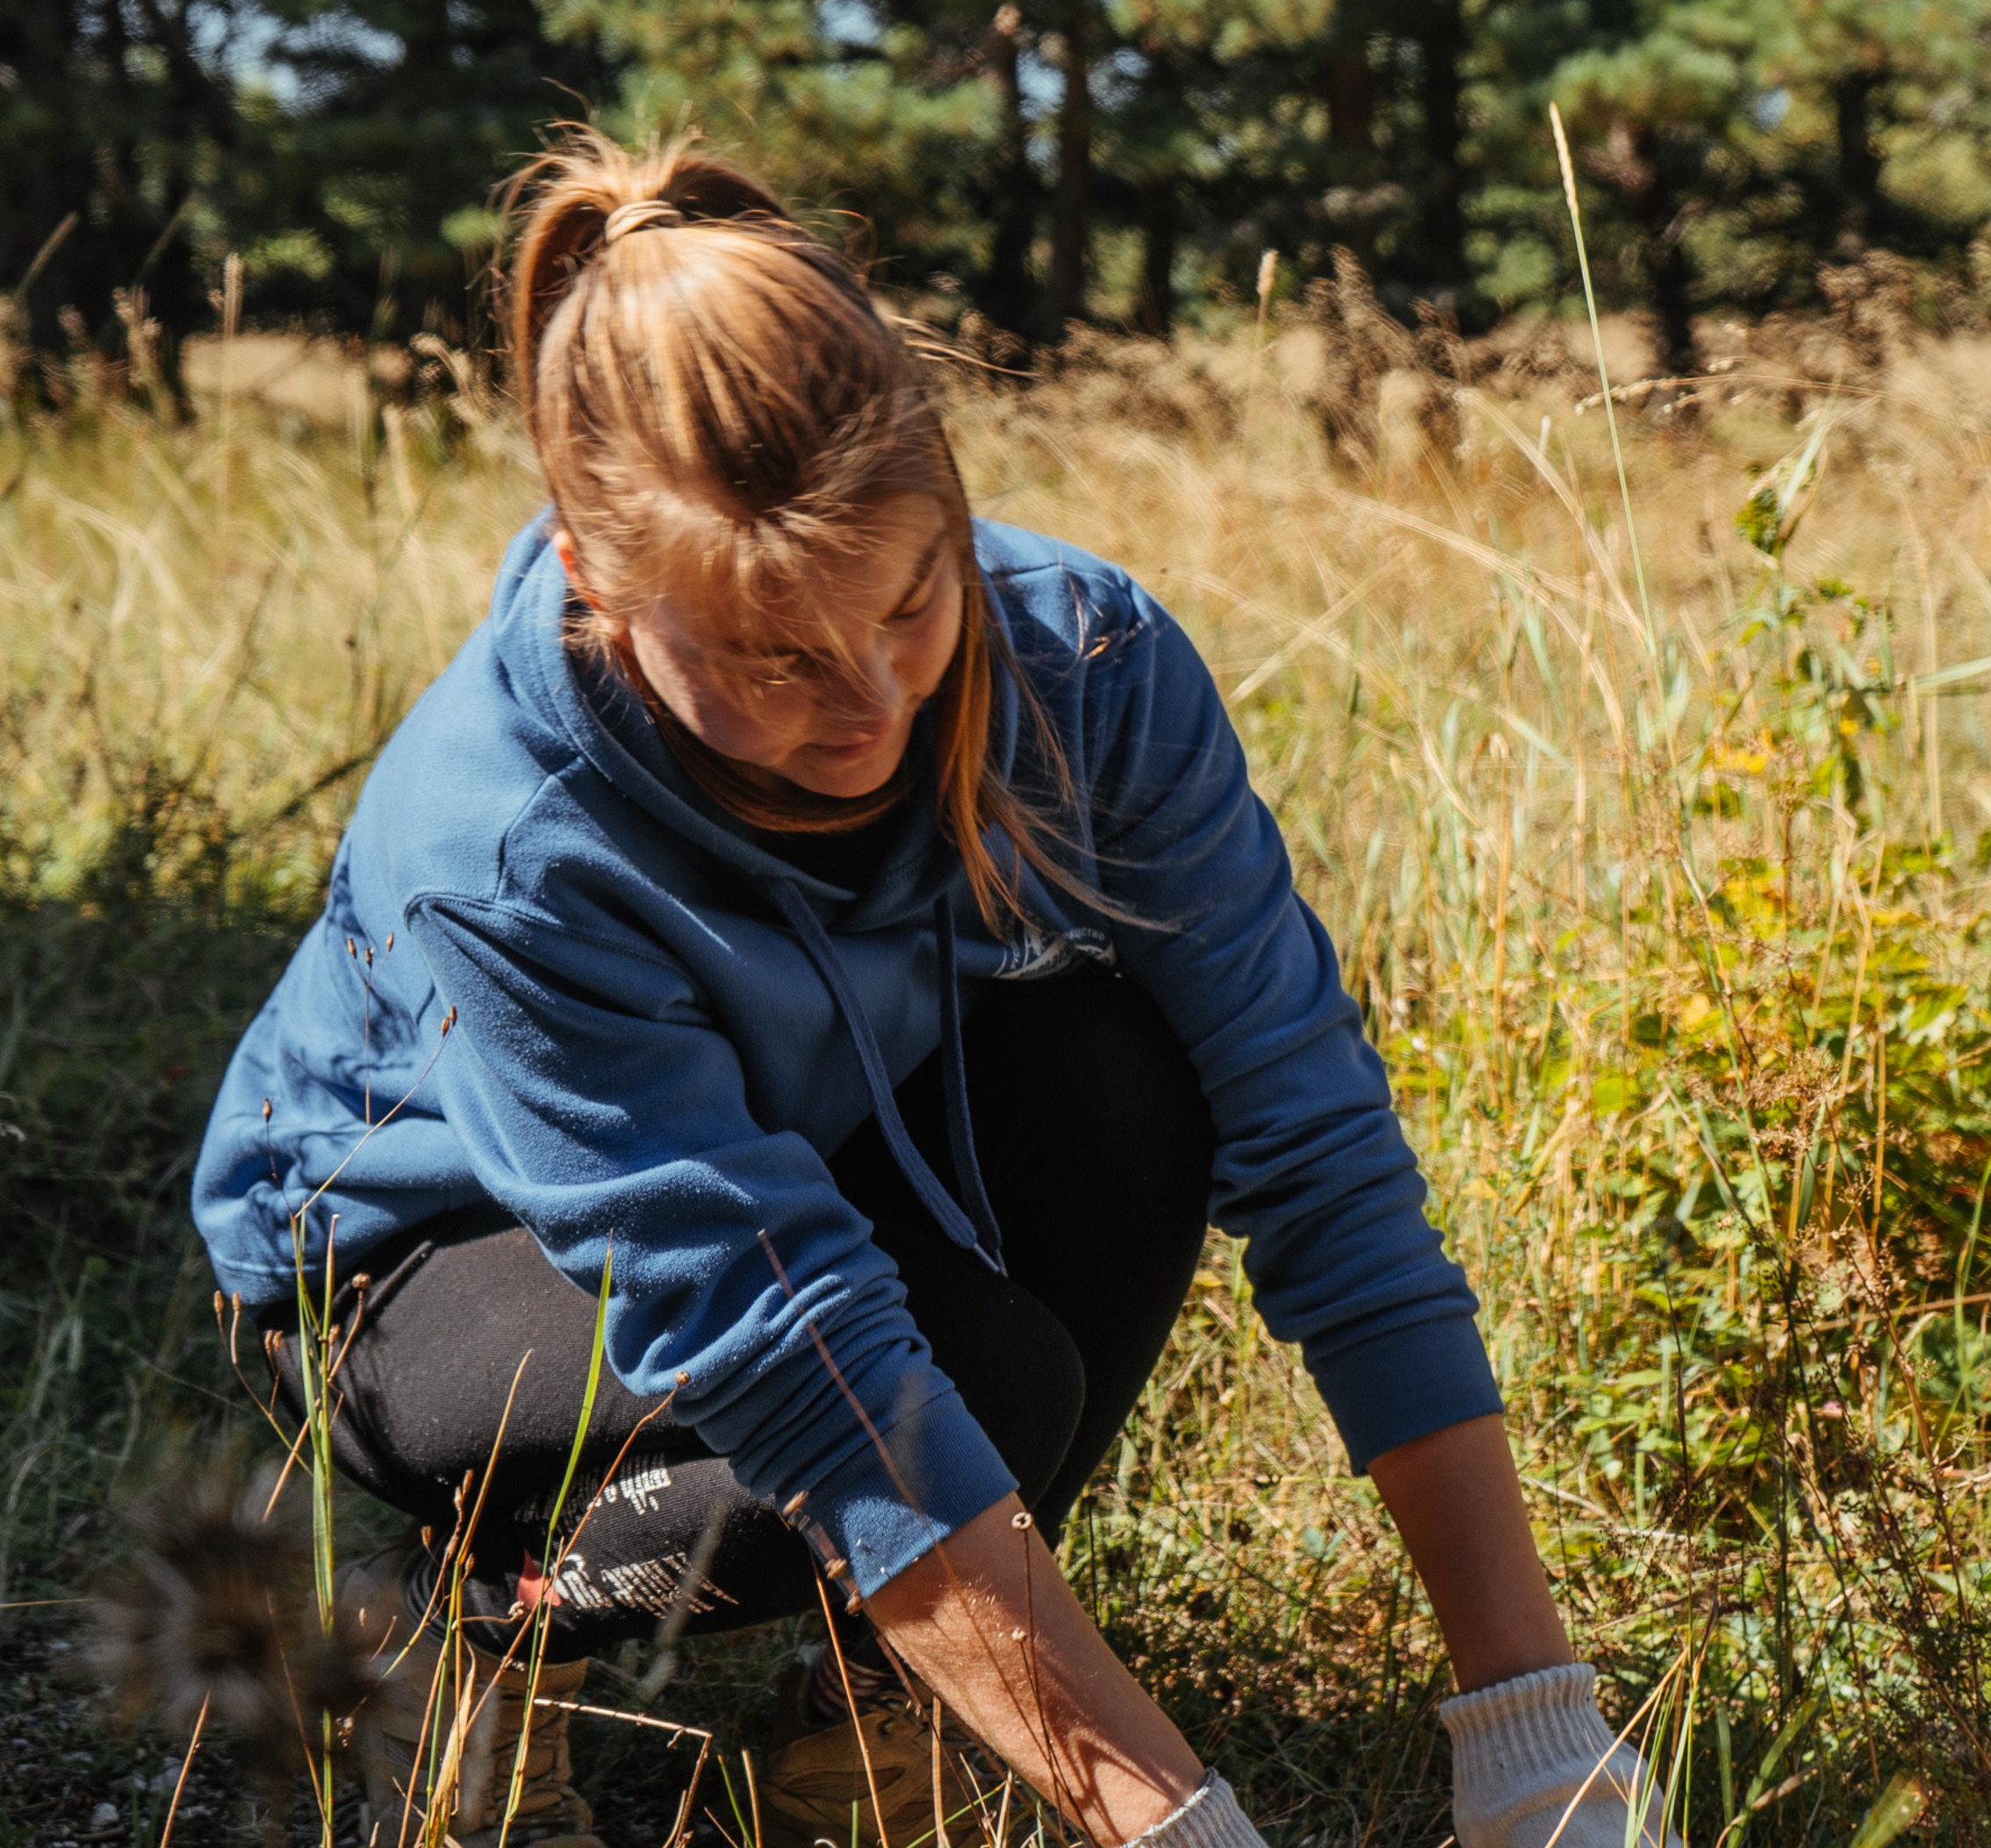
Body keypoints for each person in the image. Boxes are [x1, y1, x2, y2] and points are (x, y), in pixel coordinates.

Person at [192, 132, 1676, 1848]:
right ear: (599, 590)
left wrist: (1530, 1720)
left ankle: (874, 1705)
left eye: (910, 600)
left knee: (1127, 1084)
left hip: (784, 1147)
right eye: (769, 658)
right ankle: (458, 1618)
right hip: (422, 1266)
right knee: (885, 1403)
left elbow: (1311, 1125)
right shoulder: (510, 839)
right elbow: (790, 1346)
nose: (873, 704)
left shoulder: (1083, 662)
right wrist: (1171, 1821)